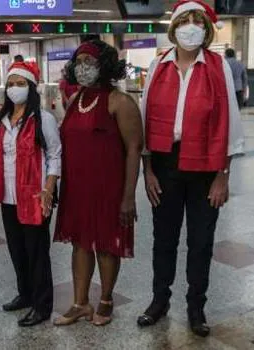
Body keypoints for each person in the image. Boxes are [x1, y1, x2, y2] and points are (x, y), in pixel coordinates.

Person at [137, 1, 244, 338]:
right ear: (174, 27)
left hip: (205, 166)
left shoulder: (217, 66)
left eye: (198, 21)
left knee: (200, 241)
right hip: (165, 162)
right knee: (163, 240)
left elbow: (231, 121)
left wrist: (222, 176)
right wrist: (148, 170)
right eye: (185, 20)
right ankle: (159, 300)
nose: (191, 26)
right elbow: (144, 118)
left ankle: (196, 306)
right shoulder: (159, 65)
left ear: (207, 29)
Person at [53, 40, 143, 327]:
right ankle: (80, 303)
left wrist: (128, 197)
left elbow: (133, 150)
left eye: (89, 62)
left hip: (108, 188)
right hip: (77, 186)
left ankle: (105, 299)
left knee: (105, 245)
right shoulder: (74, 100)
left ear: (104, 66)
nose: (83, 68)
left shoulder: (121, 102)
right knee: (79, 245)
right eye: (79, 62)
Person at [0, 62, 61, 327]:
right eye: (11, 84)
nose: (14, 89)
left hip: (34, 196)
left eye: (21, 84)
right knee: (17, 250)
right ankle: (26, 294)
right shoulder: (3, 120)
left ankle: (42, 305)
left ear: (31, 88)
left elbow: (54, 155)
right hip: (9, 196)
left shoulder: (43, 119)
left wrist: (49, 190)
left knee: (36, 253)